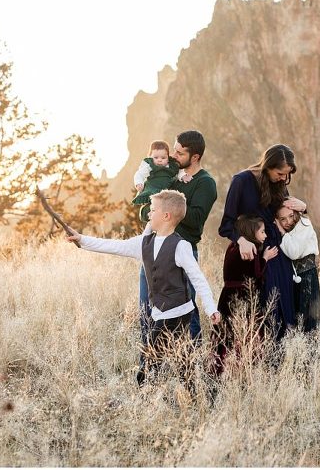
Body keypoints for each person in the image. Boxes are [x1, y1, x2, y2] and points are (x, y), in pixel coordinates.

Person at [67, 190, 221, 385]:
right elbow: (114, 246)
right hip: (158, 311)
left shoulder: (181, 246)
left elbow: (198, 279)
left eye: (153, 209)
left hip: (178, 312)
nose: (148, 213)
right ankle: (195, 392)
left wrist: (210, 308)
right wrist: (81, 239)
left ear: (166, 216)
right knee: (182, 361)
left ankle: (144, 393)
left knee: (150, 360)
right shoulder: (144, 243)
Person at [138, 130, 217, 376]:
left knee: (186, 314)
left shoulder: (205, 183)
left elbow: (194, 220)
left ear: (195, 157)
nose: (173, 155)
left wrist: (170, 211)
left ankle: (194, 369)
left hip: (181, 251)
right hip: (153, 250)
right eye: (174, 149)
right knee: (147, 310)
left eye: (179, 152)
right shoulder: (170, 175)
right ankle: (149, 370)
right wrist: (156, 212)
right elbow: (146, 211)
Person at [218, 144, 307, 339]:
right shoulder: (241, 181)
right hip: (254, 253)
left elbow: (286, 217)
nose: (284, 178)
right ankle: (261, 359)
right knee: (264, 307)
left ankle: (286, 359)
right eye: (280, 173)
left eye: (287, 175)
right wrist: (241, 241)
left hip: (278, 250)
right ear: (267, 165)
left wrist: (303, 207)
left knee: (285, 302)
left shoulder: (279, 184)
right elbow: (226, 225)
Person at [210, 215, 278, 375]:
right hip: (243, 298)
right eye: (262, 232)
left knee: (225, 335)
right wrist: (265, 259)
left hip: (226, 296)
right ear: (252, 232)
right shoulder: (251, 249)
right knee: (246, 334)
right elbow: (255, 277)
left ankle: (220, 369)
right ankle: (242, 371)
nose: (265, 235)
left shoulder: (232, 247)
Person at [276, 205, 320, 333]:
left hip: (307, 275)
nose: (288, 221)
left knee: (310, 317)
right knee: (297, 316)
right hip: (295, 277)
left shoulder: (304, 224)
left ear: (296, 213)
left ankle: (312, 348)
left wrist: (282, 231)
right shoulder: (290, 230)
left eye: (291, 216)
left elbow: (293, 252)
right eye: (283, 219)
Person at [132, 140, 192, 221]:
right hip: (153, 188)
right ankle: (149, 226)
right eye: (156, 157)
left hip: (165, 189)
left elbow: (178, 171)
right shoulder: (149, 165)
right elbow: (139, 174)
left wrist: (183, 176)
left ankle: (155, 222)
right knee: (153, 208)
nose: (159, 160)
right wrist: (139, 183)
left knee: (161, 209)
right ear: (150, 156)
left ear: (168, 157)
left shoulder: (172, 165)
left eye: (163, 158)